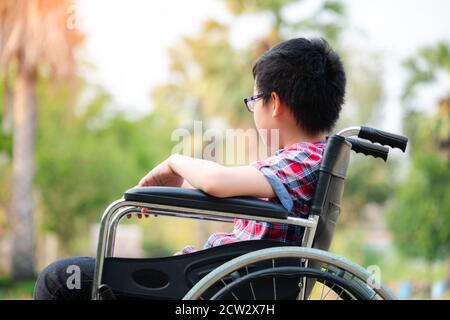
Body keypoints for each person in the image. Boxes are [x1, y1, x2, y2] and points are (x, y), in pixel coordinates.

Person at [33, 37, 346, 299]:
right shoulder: (311, 158)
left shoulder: (304, 159)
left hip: (215, 288)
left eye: (253, 101)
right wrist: (180, 191)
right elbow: (226, 189)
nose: (253, 110)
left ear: (273, 103)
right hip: (218, 280)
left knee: (60, 280)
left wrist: (174, 162)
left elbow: (217, 182)